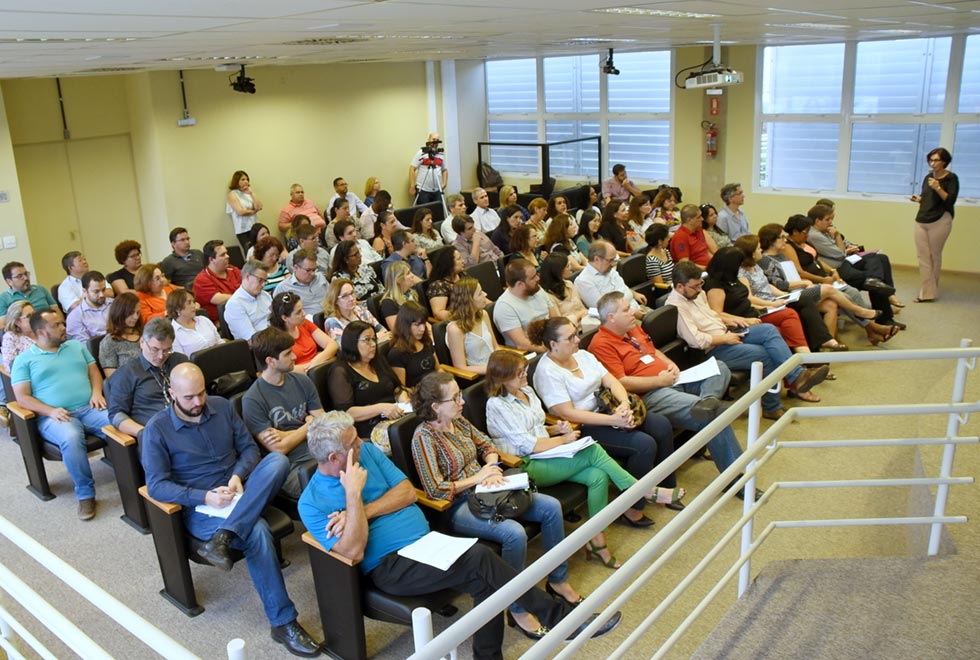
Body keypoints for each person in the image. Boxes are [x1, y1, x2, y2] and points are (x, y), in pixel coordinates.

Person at [297, 411, 620, 660]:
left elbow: (407, 493)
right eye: (353, 443)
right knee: (481, 558)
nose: (361, 443)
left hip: (427, 544)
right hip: (391, 567)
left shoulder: (367, 454)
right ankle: (562, 618)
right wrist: (353, 495)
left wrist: (361, 511)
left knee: (484, 581)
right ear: (335, 458)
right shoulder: (312, 502)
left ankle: (488, 657)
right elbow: (352, 550)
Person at [141, 363, 323, 657]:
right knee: (259, 531)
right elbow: (157, 487)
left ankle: (225, 536)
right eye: (188, 398)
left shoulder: (221, 407)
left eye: (201, 394)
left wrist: (237, 476)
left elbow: (250, 450)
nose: (198, 402)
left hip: (239, 491)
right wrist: (205, 496)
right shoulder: (157, 429)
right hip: (202, 507)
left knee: (277, 462)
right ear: (172, 393)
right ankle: (283, 622)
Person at [410, 371, 583, 636]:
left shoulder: (458, 421)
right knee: (513, 534)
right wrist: (478, 477)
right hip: (457, 505)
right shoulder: (423, 437)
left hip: (488, 489)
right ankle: (516, 606)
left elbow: (485, 443)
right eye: (454, 397)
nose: (462, 401)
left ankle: (558, 580)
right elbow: (435, 488)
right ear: (435, 407)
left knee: (550, 507)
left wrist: (491, 464)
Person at [485, 349, 653, 567]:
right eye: (519, 373)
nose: (525, 375)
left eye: (524, 370)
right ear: (503, 377)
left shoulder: (526, 391)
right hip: (527, 463)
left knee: (598, 476)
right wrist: (564, 440)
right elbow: (529, 444)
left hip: (548, 453)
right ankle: (641, 490)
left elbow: (536, 428)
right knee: (592, 451)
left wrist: (556, 429)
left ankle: (597, 541)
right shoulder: (497, 405)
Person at [529, 317, 676, 538]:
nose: (578, 339)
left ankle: (665, 485)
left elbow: (611, 381)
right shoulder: (547, 372)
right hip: (585, 425)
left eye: (577, 333)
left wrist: (624, 404)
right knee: (643, 445)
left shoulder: (582, 355)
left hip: (611, 409)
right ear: (553, 344)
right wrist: (613, 421)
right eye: (571, 337)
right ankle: (631, 507)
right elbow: (567, 413)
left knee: (661, 425)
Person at [590, 291, 747, 480]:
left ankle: (708, 400)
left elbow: (652, 350)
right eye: (626, 309)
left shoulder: (631, 328)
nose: (633, 312)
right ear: (611, 317)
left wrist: (669, 363)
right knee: (713, 415)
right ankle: (736, 478)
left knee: (720, 368)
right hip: (652, 394)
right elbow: (621, 382)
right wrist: (659, 381)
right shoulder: (601, 344)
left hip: (672, 380)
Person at [667, 260, 829, 421]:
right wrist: (725, 338)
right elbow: (697, 341)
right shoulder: (676, 307)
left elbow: (712, 315)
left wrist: (732, 320)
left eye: (700, 284)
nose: (700, 289)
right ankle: (773, 406)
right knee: (765, 355)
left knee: (768, 330)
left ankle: (796, 375)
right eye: (695, 286)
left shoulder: (697, 293)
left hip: (727, 332)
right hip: (713, 349)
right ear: (680, 287)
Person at [12, 308, 109, 520]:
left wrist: (96, 392)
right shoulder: (24, 360)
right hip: (54, 416)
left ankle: (140, 478)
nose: (63, 328)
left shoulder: (75, 346)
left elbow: (94, 371)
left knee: (118, 422)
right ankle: (85, 494)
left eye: (62, 323)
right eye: (56, 325)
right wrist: (50, 410)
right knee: (72, 437)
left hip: (88, 407)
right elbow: (22, 398)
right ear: (41, 331)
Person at [755, 223, 885, 346]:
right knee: (828, 289)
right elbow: (779, 285)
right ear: (771, 240)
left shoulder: (780, 256)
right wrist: (804, 283)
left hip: (797, 290)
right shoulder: (766, 260)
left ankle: (829, 342)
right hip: (787, 296)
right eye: (782, 237)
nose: (785, 240)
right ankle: (860, 311)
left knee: (831, 305)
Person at [782, 215, 901, 336]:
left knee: (854, 290)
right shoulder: (788, 247)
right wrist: (823, 279)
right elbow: (800, 271)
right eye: (804, 232)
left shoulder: (804, 243)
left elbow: (818, 260)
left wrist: (833, 271)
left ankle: (872, 328)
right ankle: (873, 327)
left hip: (827, 277)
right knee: (845, 297)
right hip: (814, 282)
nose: (807, 235)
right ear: (795, 232)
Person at [243, 327, 324, 498]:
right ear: (271, 361)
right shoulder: (253, 399)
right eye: (288, 354)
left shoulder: (302, 380)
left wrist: (287, 434)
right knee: (331, 488)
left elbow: (323, 422)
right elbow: (278, 449)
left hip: (320, 451)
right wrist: (309, 425)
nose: (294, 357)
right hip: (293, 468)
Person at [734, 235, 846, 353]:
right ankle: (821, 343)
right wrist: (772, 303)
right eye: (758, 249)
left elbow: (768, 286)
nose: (761, 250)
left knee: (813, 304)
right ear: (751, 253)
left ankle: (820, 345)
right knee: (805, 303)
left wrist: (784, 294)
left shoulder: (755, 266)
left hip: (775, 300)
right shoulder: (741, 273)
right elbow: (749, 298)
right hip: (766, 306)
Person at [704, 247, 815, 365]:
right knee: (779, 330)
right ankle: (800, 365)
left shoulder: (732, 279)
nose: (740, 267)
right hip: (740, 322)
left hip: (753, 313)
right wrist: (745, 320)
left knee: (789, 315)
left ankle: (803, 361)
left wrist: (768, 307)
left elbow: (746, 300)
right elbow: (717, 313)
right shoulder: (715, 286)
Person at [806, 204, 902, 310]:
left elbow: (841, 249)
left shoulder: (825, 231)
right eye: (828, 219)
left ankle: (878, 284)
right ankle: (881, 295)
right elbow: (840, 254)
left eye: (831, 219)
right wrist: (837, 236)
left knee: (881, 258)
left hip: (843, 260)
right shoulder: (815, 235)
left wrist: (845, 245)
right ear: (817, 221)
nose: (831, 222)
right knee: (876, 274)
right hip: (838, 266)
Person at [106, 317, 189, 439]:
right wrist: (144, 433)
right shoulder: (127, 373)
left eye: (167, 350)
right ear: (142, 342)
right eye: (155, 349)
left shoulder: (180, 361)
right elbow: (116, 415)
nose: (161, 356)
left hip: (187, 423)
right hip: (155, 434)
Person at [326, 321, 408, 440]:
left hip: (395, 416)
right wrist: (381, 408)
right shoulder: (340, 371)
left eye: (374, 339)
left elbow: (397, 388)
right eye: (367, 340)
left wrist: (404, 402)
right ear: (352, 343)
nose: (373, 344)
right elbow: (347, 413)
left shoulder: (377, 361)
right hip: (369, 427)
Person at [911, 147, 958, 302]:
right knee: (923, 256)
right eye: (931, 160)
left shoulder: (951, 178)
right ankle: (927, 291)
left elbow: (950, 200)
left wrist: (938, 187)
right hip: (922, 218)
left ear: (944, 161)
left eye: (936, 160)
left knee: (933, 256)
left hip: (940, 220)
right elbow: (926, 198)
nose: (933, 163)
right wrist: (918, 199)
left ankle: (928, 291)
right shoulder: (927, 177)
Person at [492, 259, 558, 352]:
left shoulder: (536, 289)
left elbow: (555, 319)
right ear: (520, 284)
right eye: (533, 277)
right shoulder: (505, 307)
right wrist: (553, 349)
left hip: (553, 342)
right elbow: (522, 344)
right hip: (534, 352)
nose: (538, 278)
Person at [576, 240, 648, 320]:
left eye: (614, 259)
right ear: (597, 259)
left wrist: (634, 293)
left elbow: (622, 287)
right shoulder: (584, 281)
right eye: (610, 260)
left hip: (636, 307)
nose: (613, 264)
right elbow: (603, 311)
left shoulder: (608, 269)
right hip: (622, 320)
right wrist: (632, 313)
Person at [268, 292, 337, 374]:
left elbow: (332, 345)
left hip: (317, 367)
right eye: (298, 312)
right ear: (285, 318)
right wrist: (316, 365)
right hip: (301, 377)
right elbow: (288, 370)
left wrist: (316, 361)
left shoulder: (304, 323)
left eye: (302, 309)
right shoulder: (276, 338)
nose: (304, 313)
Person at [446, 277, 500, 376]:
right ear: (468, 300)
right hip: (478, 376)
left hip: (496, 368)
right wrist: (493, 369)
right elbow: (460, 367)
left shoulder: (483, 314)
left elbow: (495, 347)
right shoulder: (455, 329)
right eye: (480, 293)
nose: (485, 294)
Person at [538, 253, 595, 333]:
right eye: (567, 266)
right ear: (558, 271)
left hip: (586, 324)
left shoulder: (569, 284)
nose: (570, 268)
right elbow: (559, 324)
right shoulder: (547, 295)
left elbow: (583, 308)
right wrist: (579, 314)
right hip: (571, 333)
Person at [388, 302, 438, 389]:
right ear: (405, 326)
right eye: (417, 325)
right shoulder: (397, 353)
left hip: (436, 387)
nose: (422, 329)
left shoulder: (426, 341)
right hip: (418, 395)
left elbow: (438, 369)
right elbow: (402, 388)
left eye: (424, 323)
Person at [321, 279, 389, 342]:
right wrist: (376, 337)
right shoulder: (332, 322)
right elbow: (346, 348)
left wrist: (369, 340)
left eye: (352, 293)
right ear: (335, 300)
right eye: (345, 296)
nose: (351, 298)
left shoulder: (360, 310)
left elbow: (384, 331)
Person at [193, 240, 243, 323]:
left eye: (226, 253)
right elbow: (219, 299)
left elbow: (248, 286)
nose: (227, 256)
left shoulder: (233, 269)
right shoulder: (201, 280)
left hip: (241, 312)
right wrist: (244, 295)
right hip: (222, 322)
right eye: (222, 255)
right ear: (212, 259)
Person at [224, 260, 272, 342]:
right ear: (247, 276)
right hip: (261, 346)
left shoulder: (265, 295)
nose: (263, 285)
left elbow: (277, 319)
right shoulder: (235, 305)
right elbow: (252, 340)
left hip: (276, 336)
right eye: (260, 280)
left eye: (265, 281)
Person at [99, 292, 144, 378]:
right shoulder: (109, 342)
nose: (135, 317)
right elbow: (113, 378)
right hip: (130, 386)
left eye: (137, 313)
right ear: (120, 312)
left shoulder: (145, 334)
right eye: (131, 313)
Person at [166, 289, 221, 357]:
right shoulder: (172, 333)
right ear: (177, 308)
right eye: (189, 303)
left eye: (193, 302)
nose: (194, 306)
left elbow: (219, 342)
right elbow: (180, 361)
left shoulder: (204, 320)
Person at [275, 248, 329, 318]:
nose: (312, 273)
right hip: (306, 324)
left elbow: (332, 299)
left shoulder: (320, 277)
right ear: (296, 267)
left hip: (329, 318)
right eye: (308, 270)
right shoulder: (284, 288)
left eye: (314, 269)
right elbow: (278, 315)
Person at [0, 263, 56, 327]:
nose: (26, 278)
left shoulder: (41, 289)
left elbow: (56, 312)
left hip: (50, 328)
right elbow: (3, 325)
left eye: (26, 274)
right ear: (9, 281)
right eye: (19, 276)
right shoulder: (3, 299)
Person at [66, 271, 110, 342]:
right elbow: (85, 347)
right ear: (85, 291)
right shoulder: (76, 316)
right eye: (96, 291)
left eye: (103, 290)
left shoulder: (114, 304)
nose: (102, 295)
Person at [378, 260, 421, 331]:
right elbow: (398, 330)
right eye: (408, 273)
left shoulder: (412, 294)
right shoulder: (388, 303)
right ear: (398, 279)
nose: (412, 275)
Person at [226, 170, 263, 249]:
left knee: (261, 249)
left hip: (255, 227)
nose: (246, 181)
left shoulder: (249, 192)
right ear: (236, 181)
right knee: (250, 251)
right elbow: (240, 212)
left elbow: (259, 207)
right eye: (243, 179)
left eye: (247, 179)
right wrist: (253, 211)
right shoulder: (232, 194)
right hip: (243, 230)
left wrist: (252, 193)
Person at [409, 132, 448, 205]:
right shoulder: (421, 153)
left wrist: (444, 183)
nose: (435, 142)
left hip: (437, 190)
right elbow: (412, 169)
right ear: (429, 139)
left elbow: (444, 170)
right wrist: (412, 185)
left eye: (437, 140)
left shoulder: (440, 155)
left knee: (437, 212)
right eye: (433, 139)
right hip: (423, 190)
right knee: (423, 212)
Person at [426, 247, 464, 322]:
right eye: (459, 259)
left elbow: (477, 295)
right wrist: (464, 315)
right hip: (458, 321)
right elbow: (438, 313)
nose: (463, 261)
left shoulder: (462, 274)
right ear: (449, 264)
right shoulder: (438, 286)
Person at [2, 300, 36, 372]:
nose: (34, 318)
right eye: (29, 316)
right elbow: (9, 366)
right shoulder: (11, 337)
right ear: (17, 322)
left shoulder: (42, 330)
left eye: (34, 314)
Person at [643, 224, 674, 290]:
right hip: (666, 291)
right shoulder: (652, 260)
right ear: (660, 241)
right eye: (667, 237)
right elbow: (661, 286)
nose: (669, 239)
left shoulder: (665, 251)